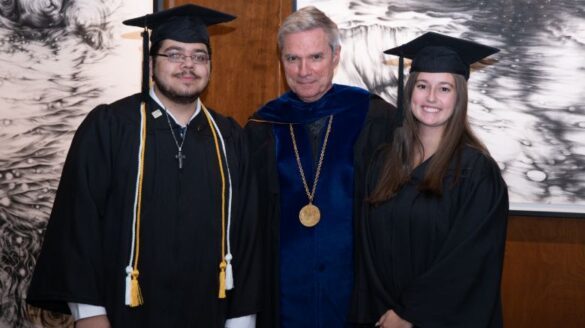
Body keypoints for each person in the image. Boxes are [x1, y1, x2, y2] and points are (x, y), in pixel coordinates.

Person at [26, 4, 261, 327]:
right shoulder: (111, 126)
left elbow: (247, 234)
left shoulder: (229, 137)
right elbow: (78, 221)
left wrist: (241, 320)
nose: (188, 65)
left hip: (209, 314)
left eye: (199, 56)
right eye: (175, 54)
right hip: (123, 313)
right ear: (152, 63)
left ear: (209, 66)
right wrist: (90, 313)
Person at [245, 6, 396, 327]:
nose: (303, 71)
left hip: (354, 290)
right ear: (281, 59)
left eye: (315, 57)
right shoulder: (262, 126)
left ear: (335, 55)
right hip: (282, 290)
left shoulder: (375, 118)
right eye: (292, 59)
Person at [349, 32, 509, 328]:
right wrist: (385, 313)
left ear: (459, 96)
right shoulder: (382, 163)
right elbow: (367, 252)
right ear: (410, 91)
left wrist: (409, 314)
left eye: (444, 88)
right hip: (383, 316)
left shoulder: (477, 173)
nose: (432, 98)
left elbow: (469, 262)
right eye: (422, 86)